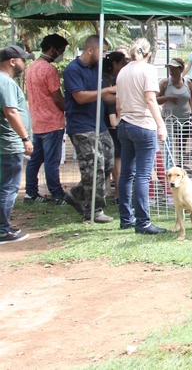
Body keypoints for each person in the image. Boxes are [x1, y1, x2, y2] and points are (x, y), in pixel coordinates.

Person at [62, 35, 117, 223]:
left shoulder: (98, 70)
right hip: (81, 126)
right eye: (102, 52)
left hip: (99, 125)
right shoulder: (72, 70)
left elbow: (104, 98)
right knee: (93, 168)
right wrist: (106, 91)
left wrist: (124, 97)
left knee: (108, 163)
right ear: (90, 50)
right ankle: (94, 211)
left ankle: (76, 195)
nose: (104, 56)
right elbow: (80, 97)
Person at [116, 38, 169, 234]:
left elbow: (119, 103)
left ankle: (126, 218)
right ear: (148, 54)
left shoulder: (123, 71)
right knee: (143, 175)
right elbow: (150, 99)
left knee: (126, 174)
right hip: (143, 125)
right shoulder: (147, 70)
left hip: (125, 124)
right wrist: (160, 125)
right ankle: (143, 222)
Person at [23, 33, 68, 205]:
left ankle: (30, 193)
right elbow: (57, 98)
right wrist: (70, 108)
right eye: (61, 51)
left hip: (38, 122)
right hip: (52, 122)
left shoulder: (32, 66)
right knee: (51, 161)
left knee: (35, 160)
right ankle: (57, 194)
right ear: (52, 49)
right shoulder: (49, 69)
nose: (60, 55)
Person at [1, 46, 34, 244]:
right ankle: (2, 230)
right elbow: (11, 112)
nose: (25, 63)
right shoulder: (5, 82)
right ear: (12, 61)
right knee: (8, 187)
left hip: (5, 143)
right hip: (9, 143)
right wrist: (24, 138)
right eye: (23, 59)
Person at [158, 58, 192, 167]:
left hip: (184, 119)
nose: (172, 71)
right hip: (169, 120)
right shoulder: (165, 83)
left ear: (181, 69)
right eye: (170, 68)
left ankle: (181, 167)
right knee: (168, 146)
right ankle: (169, 168)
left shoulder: (188, 83)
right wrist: (168, 98)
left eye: (174, 68)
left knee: (181, 146)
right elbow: (155, 100)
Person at [103, 51, 129, 205]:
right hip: (113, 129)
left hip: (113, 129)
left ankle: (118, 195)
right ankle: (119, 196)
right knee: (116, 167)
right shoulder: (112, 96)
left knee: (116, 166)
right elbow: (113, 120)